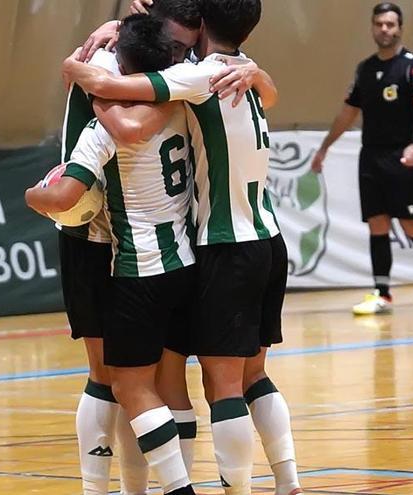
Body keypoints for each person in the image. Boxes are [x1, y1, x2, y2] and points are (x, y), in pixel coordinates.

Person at [61, 1, 302, 494]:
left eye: (185, 44)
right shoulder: (217, 66)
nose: (176, 53)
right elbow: (269, 93)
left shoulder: (194, 73)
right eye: (171, 44)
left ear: (202, 32)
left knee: (182, 382)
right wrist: (256, 73)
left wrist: (70, 66)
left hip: (193, 247)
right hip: (121, 236)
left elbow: (126, 118)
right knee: (137, 378)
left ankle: (207, 487)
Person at [29, 14, 198, 495]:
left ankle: (138, 490)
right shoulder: (167, 73)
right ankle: (106, 490)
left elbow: (120, 122)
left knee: (129, 381)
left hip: (127, 244)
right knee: (116, 376)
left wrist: (31, 196)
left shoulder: (122, 65)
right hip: (98, 233)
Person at [311, 2, 413, 315]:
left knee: (410, 222)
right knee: (377, 223)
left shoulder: (411, 66)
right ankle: (382, 293)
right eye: (379, 24)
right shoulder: (365, 69)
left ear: (399, 28)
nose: (385, 29)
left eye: (390, 24)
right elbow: (348, 112)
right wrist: (324, 147)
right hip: (371, 156)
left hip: (404, 156)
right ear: (373, 27)